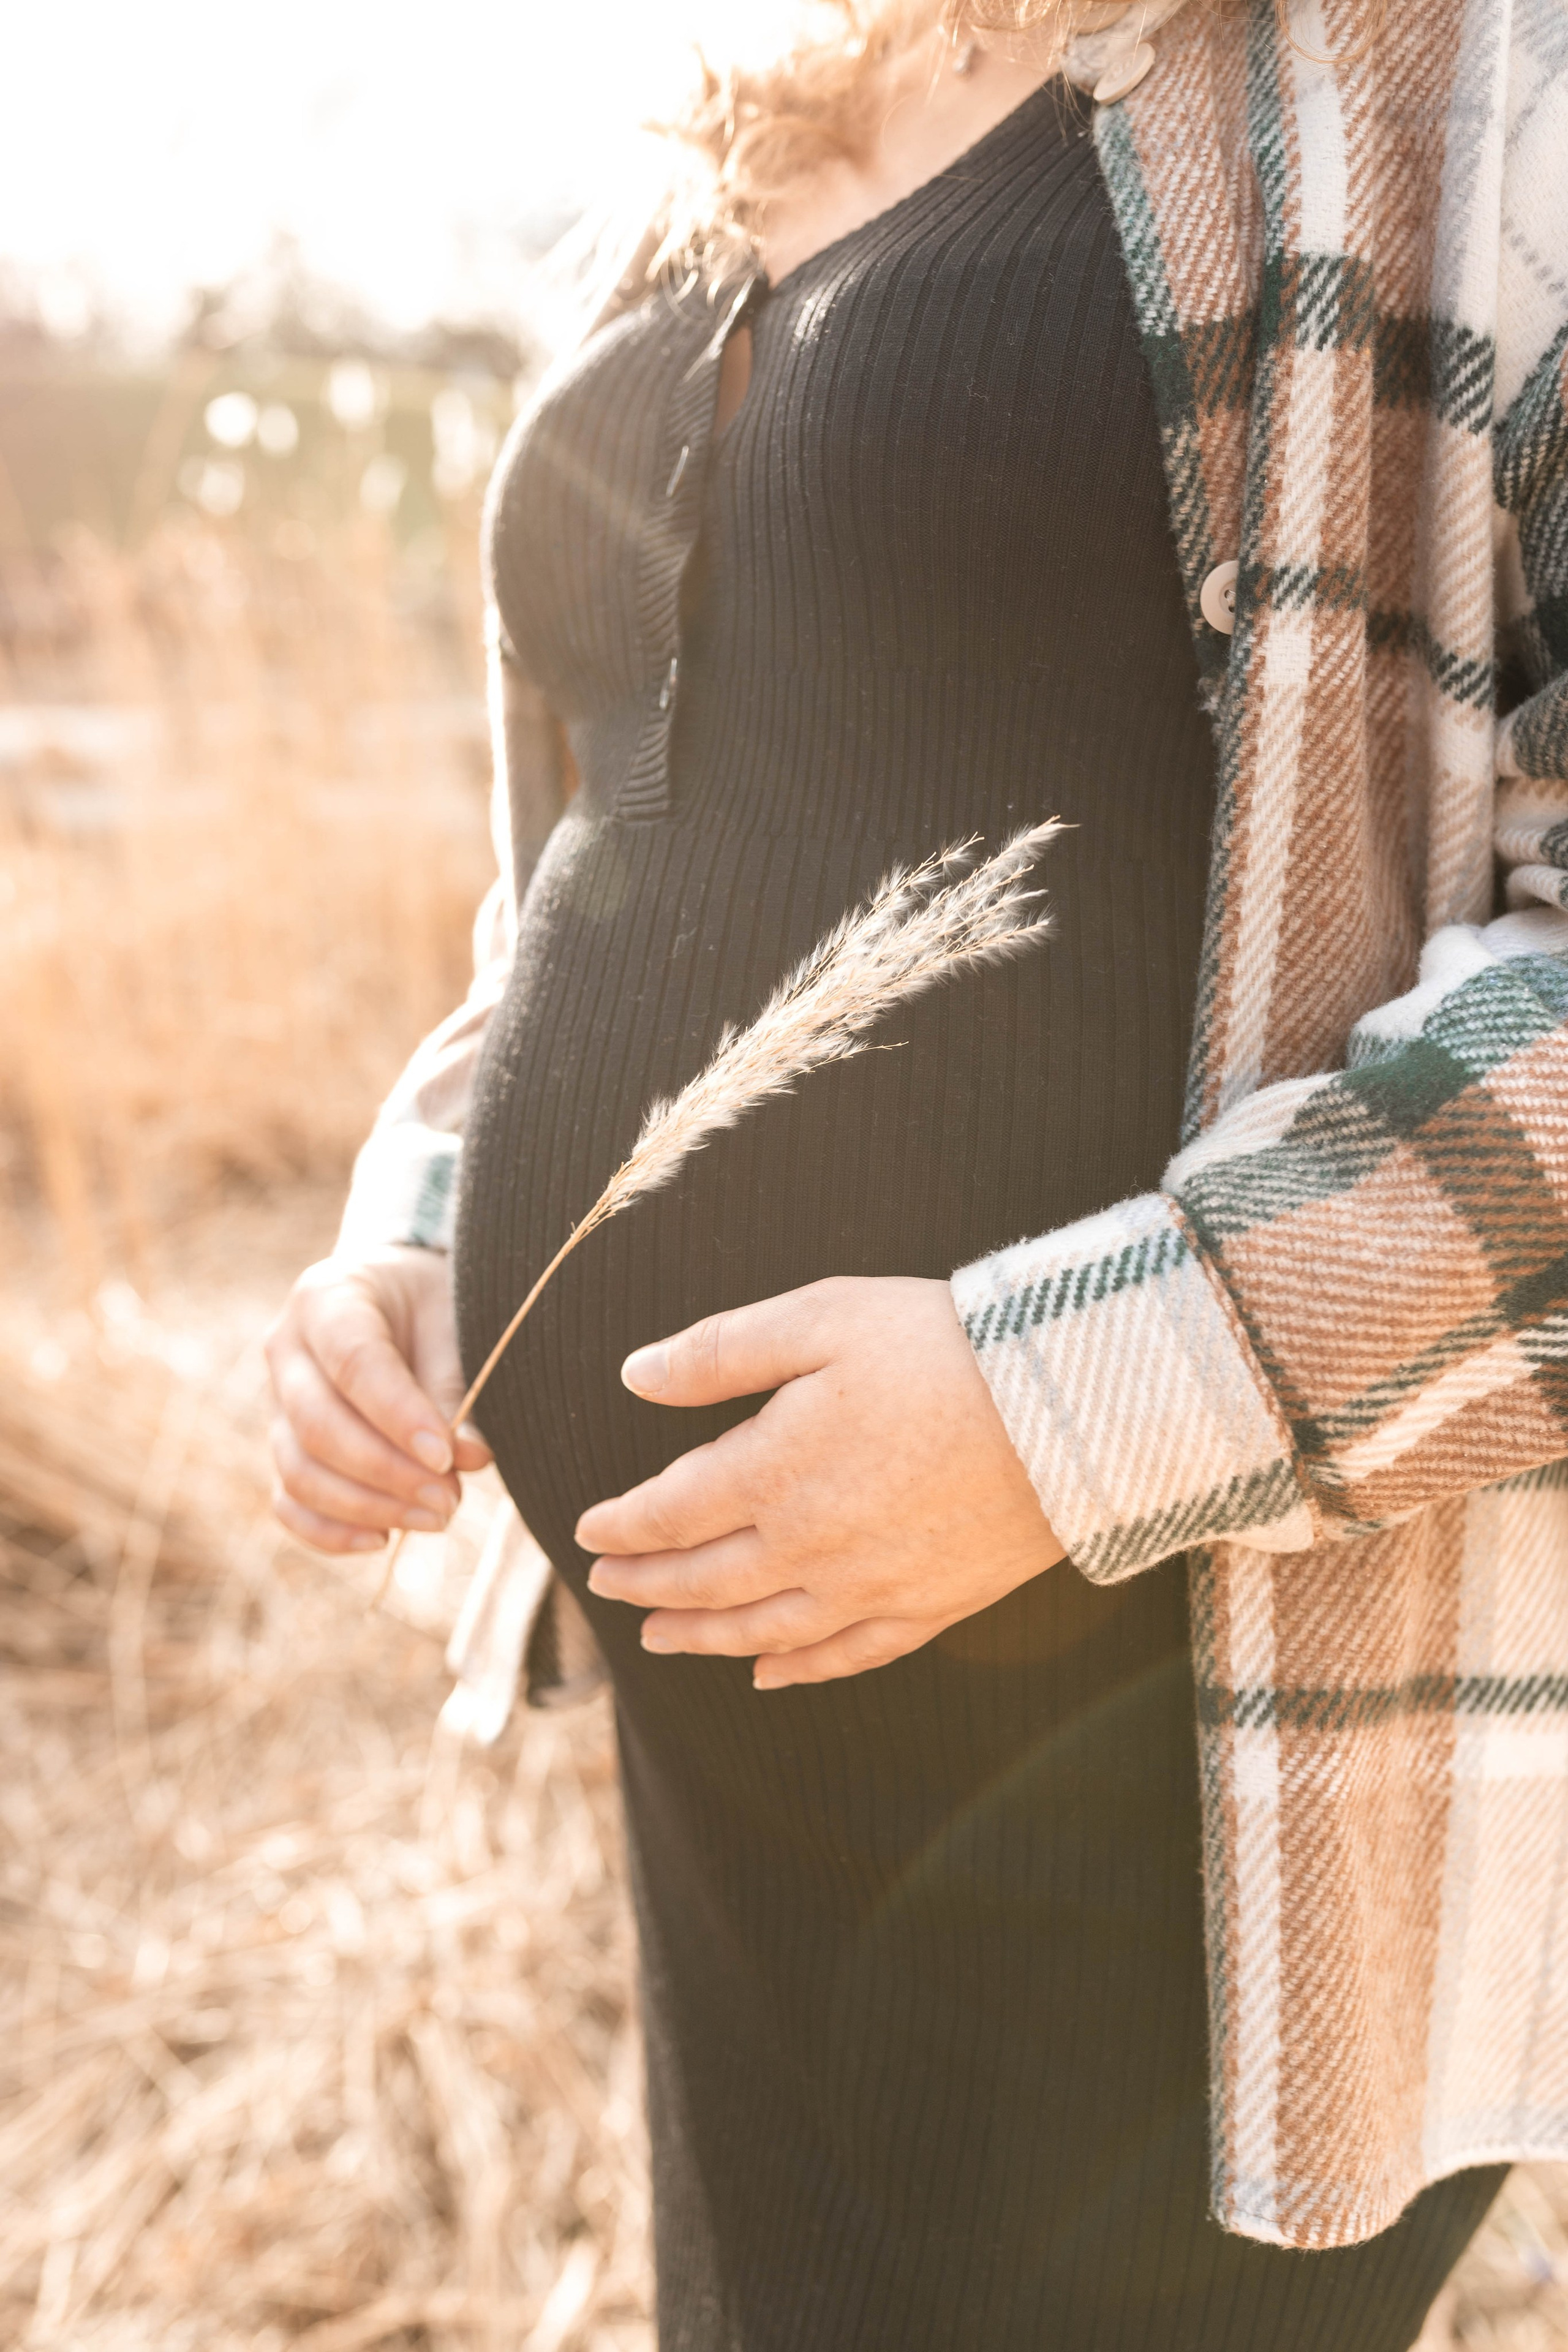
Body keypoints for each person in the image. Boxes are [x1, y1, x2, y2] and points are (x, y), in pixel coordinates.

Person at [266, 1, 1568, 2343]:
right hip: (746, 1797)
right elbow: (620, 846)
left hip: (1154, 1799)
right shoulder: (738, 113)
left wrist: (1063, 1406)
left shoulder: (1465, 90)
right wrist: (428, 1231)